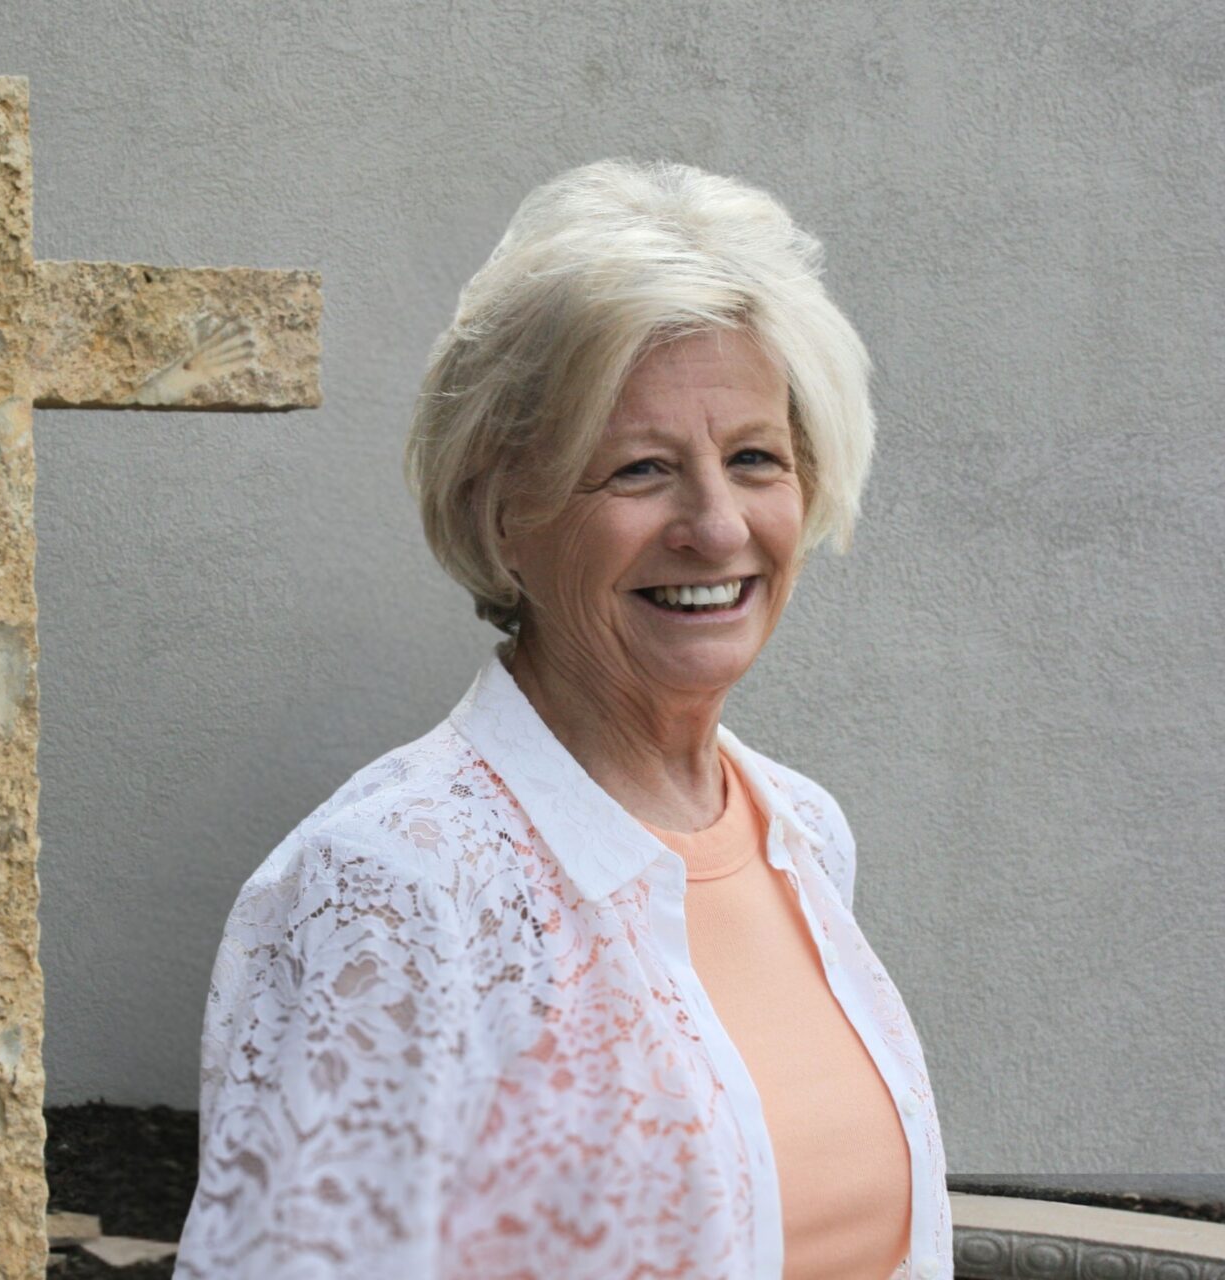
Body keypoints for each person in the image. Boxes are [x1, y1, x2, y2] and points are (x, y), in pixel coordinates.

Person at [174, 160, 952, 1280]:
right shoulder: (393, 887)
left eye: (753, 458)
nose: (716, 525)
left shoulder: (804, 832)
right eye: (640, 469)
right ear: (506, 518)